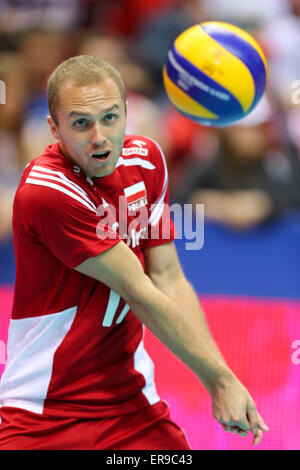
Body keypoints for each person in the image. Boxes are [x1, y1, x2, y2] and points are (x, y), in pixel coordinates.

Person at [0, 55, 269, 450]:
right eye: (80, 123)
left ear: (129, 112)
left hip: (131, 407)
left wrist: (221, 377)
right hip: (44, 411)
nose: (99, 137)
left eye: (110, 118)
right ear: (53, 129)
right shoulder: (46, 192)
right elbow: (139, 291)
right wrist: (220, 380)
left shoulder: (146, 160)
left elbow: (169, 278)